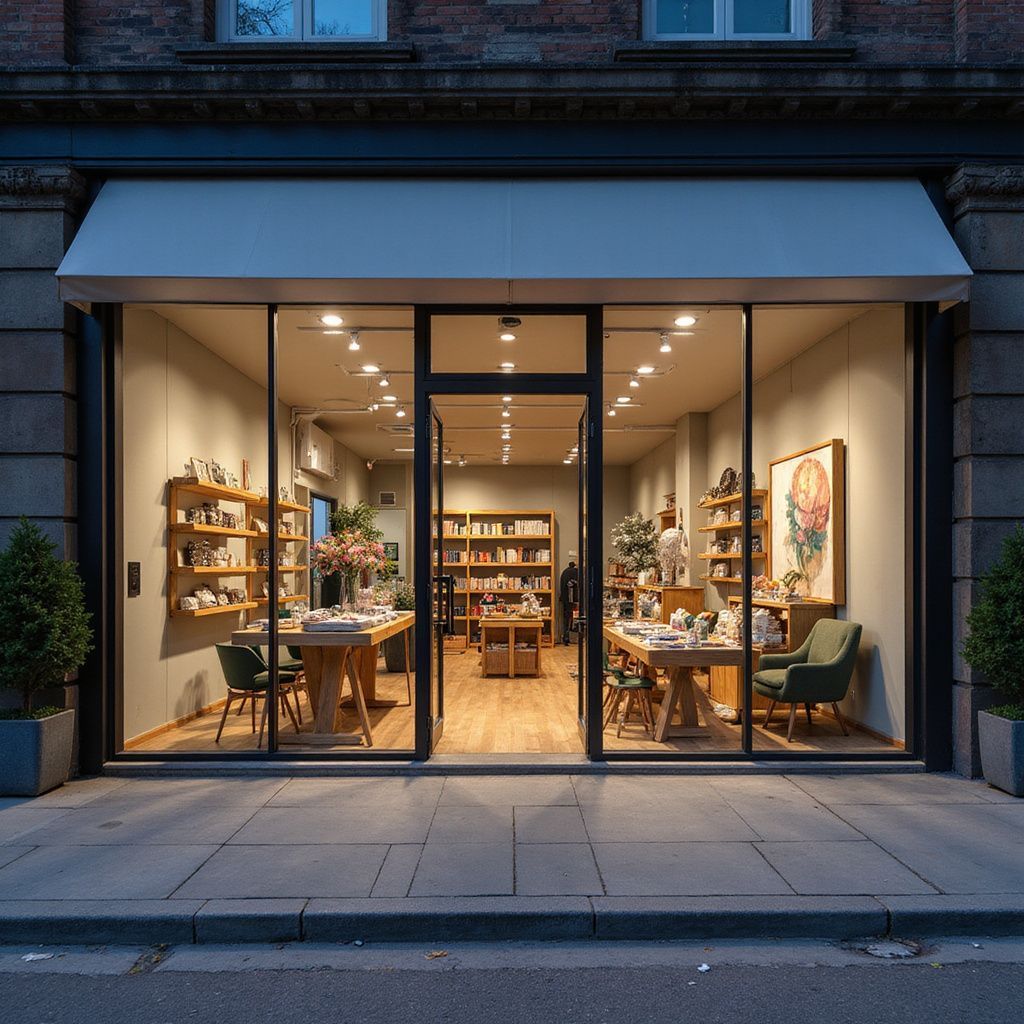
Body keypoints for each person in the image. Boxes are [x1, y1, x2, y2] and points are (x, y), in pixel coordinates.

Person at [560, 559, 578, 645]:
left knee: (566, 618)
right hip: (572, 599)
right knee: (574, 618)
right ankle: (572, 637)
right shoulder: (575, 572)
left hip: (565, 599)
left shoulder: (564, 572)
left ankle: (565, 637)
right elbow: (573, 585)